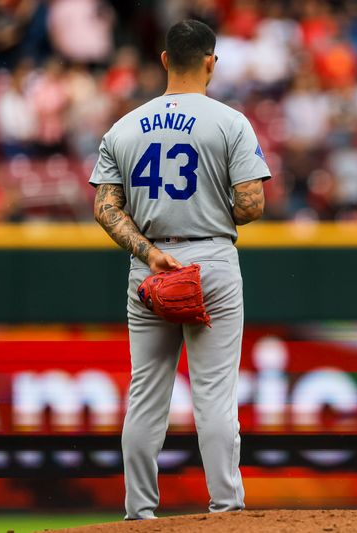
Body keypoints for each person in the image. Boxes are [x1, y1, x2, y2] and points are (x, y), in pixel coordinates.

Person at [89, 19, 270, 518]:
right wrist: (210, 213)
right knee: (214, 393)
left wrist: (148, 252)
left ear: (165, 60)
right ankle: (226, 509)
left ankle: (139, 514)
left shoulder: (123, 126)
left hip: (149, 266)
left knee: (146, 394)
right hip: (210, 256)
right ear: (211, 61)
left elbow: (106, 208)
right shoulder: (230, 121)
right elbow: (252, 203)